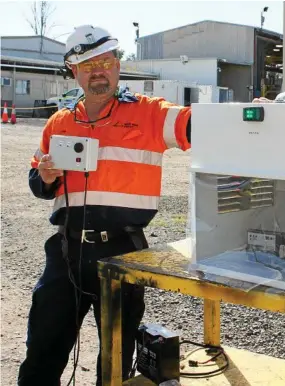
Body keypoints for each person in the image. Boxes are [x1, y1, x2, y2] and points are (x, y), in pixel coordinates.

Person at [18, 25, 191, 386]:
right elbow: (38, 183)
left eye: (107, 61)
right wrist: (46, 177)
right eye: (88, 63)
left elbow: (199, 126)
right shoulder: (59, 122)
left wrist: (255, 115)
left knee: (115, 356)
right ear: (74, 72)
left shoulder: (150, 114)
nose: (100, 70)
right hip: (66, 251)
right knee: (43, 349)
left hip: (122, 251)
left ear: (117, 65)